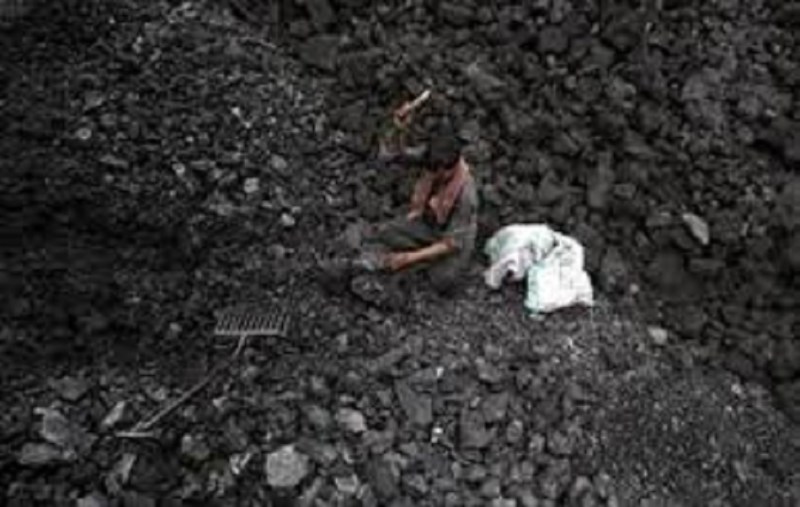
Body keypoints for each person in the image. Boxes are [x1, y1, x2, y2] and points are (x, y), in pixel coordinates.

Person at [326, 123, 479, 296]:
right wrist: (399, 129)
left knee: (439, 280)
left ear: (450, 169)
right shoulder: (432, 157)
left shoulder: (466, 195)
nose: (433, 175)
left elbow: (452, 244)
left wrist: (408, 258)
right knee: (387, 232)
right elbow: (395, 153)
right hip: (430, 221)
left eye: (438, 173)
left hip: (453, 241)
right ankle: (379, 261)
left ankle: (410, 266)